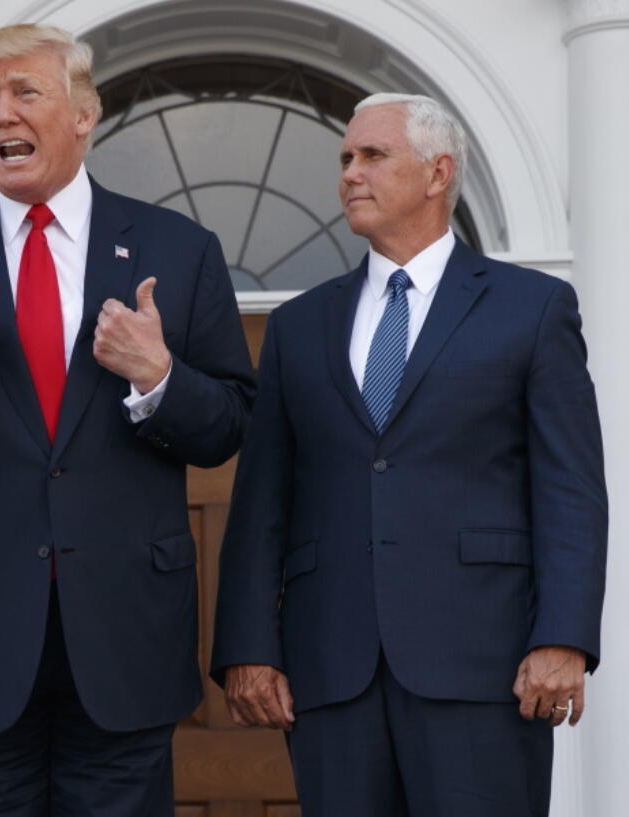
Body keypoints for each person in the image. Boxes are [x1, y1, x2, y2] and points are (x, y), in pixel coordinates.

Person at [0, 24, 254, 817]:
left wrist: (159, 377)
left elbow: (230, 425)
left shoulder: (179, 248)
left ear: (84, 113)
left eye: (25, 92)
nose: (2, 116)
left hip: (124, 638)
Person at [210, 93, 607, 816]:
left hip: (486, 668)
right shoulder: (300, 326)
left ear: (437, 174)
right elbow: (263, 497)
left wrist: (563, 637)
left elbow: (570, 488)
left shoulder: (533, 308)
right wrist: (247, 644)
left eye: (372, 156)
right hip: (331, 669)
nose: (350, 174)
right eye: (344, 159)